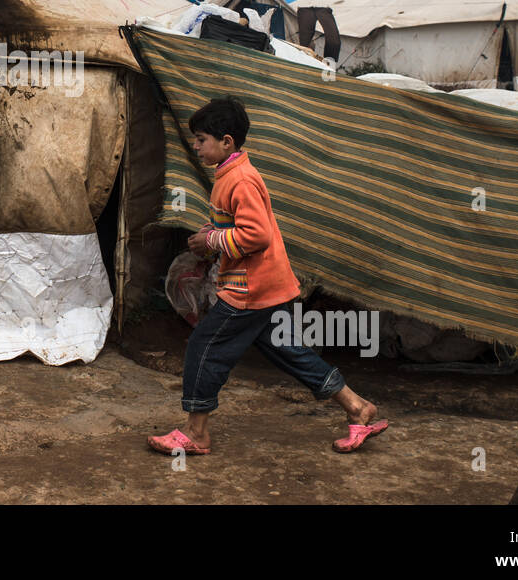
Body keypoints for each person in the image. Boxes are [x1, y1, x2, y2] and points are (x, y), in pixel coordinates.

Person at [147, 97, 388, 457]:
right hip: (269, 286)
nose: (196, 146)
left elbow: (256, 235)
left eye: (201, 139)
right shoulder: (229, 174)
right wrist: (211, 234)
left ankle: (196, 434)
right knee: (289, 350)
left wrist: (212, 239)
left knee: (204, 347)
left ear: (226, 141)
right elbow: (236, 226)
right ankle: (358, 408)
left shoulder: (240, 179)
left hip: (250, 289)